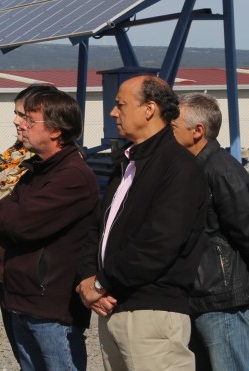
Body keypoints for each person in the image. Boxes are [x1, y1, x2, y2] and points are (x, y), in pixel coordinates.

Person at [76, 75, 207, 370]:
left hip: (152, 314)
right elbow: (99, 229)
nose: (113, 112)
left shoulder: (179, 168)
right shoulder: (127, 164)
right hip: (113, 308)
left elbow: (158, 243)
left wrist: (101, 282)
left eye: (120, 105)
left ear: (149, 109)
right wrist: (87, 278)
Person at [0, 88, 99, 370]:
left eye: (29, 119)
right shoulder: (36, 169)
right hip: (24, 299)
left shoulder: (72, 176)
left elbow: (17, 224)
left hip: (51, 306)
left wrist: (5, 213)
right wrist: (5, 215)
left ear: (55, 131)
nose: (19, 124)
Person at [173, 93, 249, 369]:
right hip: (198, 295)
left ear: (198, 131)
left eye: (173, 127)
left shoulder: (222, 170)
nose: (166, 133)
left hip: (222, 299)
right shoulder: (190, 168)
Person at [0, 84, 47, 354]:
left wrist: (1, 249)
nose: (15, 121)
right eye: (15, 113)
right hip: (2, 261)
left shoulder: (50, 162)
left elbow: (32, 218)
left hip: (31, 266)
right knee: (20, 345)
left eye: (23, 115)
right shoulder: (9, 157)